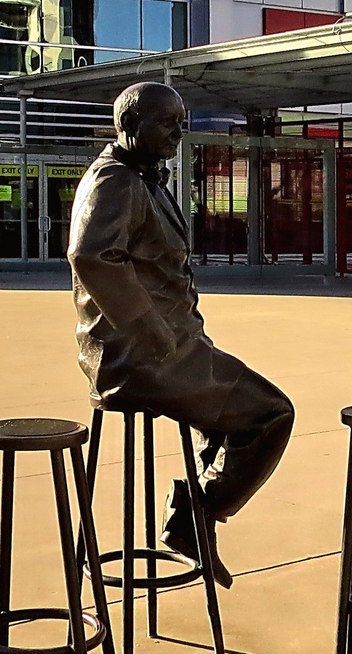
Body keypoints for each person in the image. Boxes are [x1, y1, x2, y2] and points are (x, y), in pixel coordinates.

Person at [68, 82, 295, 586]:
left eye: (181, 120)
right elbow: (91, 256)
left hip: (171, 349)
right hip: (140, 358)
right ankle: (198, 514)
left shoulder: (145, 178)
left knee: (231, 416)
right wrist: (151, 331)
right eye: (168, 122)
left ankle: (194, 509)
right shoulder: (116, 181)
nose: (179, 132)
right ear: (130, 126)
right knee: (271, 414)